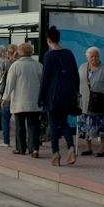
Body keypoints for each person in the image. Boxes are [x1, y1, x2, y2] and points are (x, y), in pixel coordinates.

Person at [37, 26, 79, 166]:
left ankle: (55, 153)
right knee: (64, 122)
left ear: (49, 40)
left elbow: (45, 79)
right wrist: (74, 92)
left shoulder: (48, 56)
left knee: (54, 123)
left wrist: (40, 98)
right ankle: (71, 147)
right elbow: (75, 75)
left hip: (53, 95)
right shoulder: (69, 53)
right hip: (67, 95)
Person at [2, 43, 43, 157]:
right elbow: (42, 83)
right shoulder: (38, 65)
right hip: (34, 101)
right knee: (33, 126)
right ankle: (34, 149)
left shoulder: (15, 66)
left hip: (19, 101)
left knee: (20, 126)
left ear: (19, 53)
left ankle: (20, 148)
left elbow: (10, 84)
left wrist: (5, 98)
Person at [77, 47, 104, 157]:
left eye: (96, 56)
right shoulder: (82, 67)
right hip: (85, 103)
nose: (94, 58)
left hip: (100, 103)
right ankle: (88, 148)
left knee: (102, 126)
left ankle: (102, 149)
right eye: (92, 56)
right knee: (86, 127)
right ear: (87, 57)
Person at [0, 44, 17, 145]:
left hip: (6, 95)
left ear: (8, 53)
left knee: (5, 119)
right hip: (17, 96)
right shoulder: (18, 63)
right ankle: (20, 142)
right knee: (19, 122)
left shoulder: (5, 64)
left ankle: (6, 141)